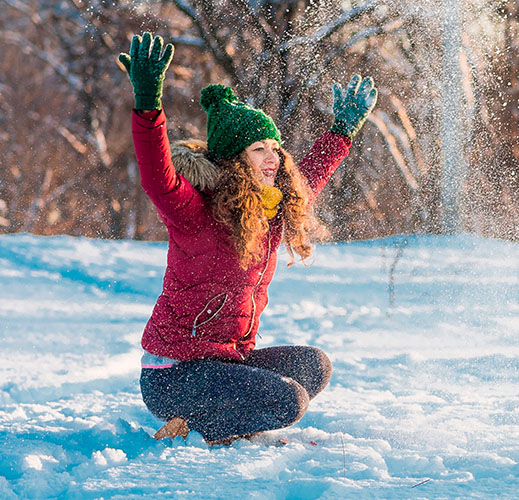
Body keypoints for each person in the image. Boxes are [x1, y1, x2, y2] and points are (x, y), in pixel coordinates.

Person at [117, 33, 377, 445]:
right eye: (259, 148)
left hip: (225, 360)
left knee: (313, 366)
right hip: (175, 374)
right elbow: (157, 176)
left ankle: (220, 419)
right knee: (288, 402)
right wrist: (149, 106)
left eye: (275, 147)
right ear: (236, 160)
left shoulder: (271, 207)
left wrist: (341, 132)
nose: (274, 157)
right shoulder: (194, 212)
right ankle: (192, 428)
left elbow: (309, 179)